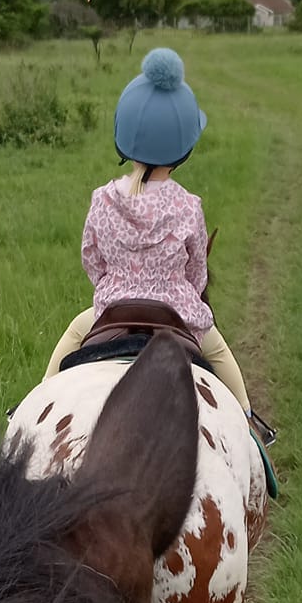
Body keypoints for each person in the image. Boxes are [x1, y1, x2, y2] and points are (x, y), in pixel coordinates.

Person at [45, 46, 257, 422]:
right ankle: (249, 422)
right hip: (177, 309)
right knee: (221, 353)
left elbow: (91, 260)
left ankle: (34, 407)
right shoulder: (188, 205)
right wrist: (185, 293)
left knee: (71, 337)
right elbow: (197, 273)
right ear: (184, 146)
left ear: (123, 136)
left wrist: (114, 284)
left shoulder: (103, 199)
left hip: (113, 306)